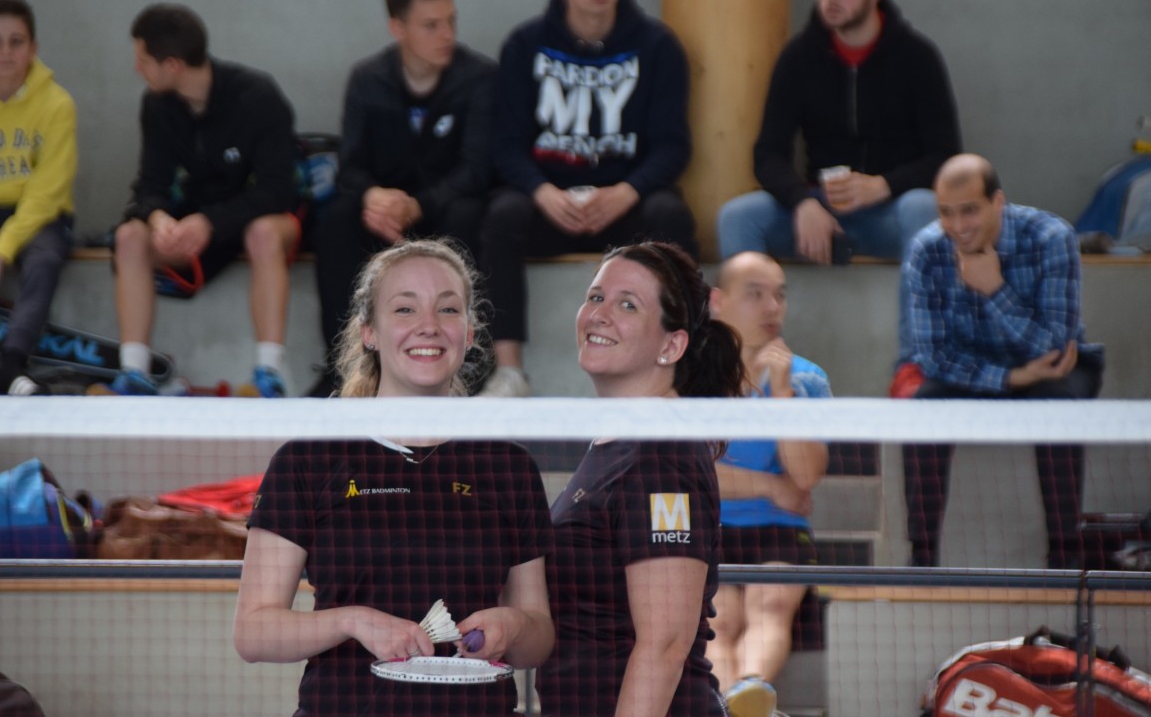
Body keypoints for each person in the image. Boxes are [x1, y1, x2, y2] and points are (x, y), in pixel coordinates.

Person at [235, 238, 555, 715]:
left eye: (448, 309)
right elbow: (253, 632)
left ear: (469, 333)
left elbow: (539, 637)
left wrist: (514, 627)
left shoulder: (508, 466)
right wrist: (353, 621)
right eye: (405, 309)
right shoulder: (309, 459)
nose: (429, 325)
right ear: (369, 331)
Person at [478, 0, 697, 397]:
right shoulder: (524, 46)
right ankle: (509, 371)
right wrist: (542, 192)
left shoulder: (657, 47)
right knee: (500, 216)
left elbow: (673, 146)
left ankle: (682, 366)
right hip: (550, 204)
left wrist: (626, 192)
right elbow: (506, 146)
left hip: (624, 205)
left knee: (671, 215)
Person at [538, 241, 741, 716]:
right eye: (595, 297)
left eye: (627, 304)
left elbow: (665, 643)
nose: (599, 314)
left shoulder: (662, 454)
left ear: (671, 346)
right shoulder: (616, 444)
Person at [901, 153, 1105, 569]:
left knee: (1058, 406)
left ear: (997, 202)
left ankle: (1064, 555)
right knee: (922, 409)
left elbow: (1054, 345)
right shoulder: (926, 250)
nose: (958, 226)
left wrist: (994, 289)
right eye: (946, 213)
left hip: (1053, 369)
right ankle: (921, 558)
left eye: (969, 210)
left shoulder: (1052, 237)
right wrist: (1011, 377)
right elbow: (933, 357)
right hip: (976, 371)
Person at [309, 0, 497, 398]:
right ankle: (339, 369)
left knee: (473, 214)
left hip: (444, 210)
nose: (446, 34)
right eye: (431, 25)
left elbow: (477, 169)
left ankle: (472, 366)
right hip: (386, 216)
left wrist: (419, 205)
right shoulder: (367, 79)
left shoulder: (479, 78)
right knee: (335, 220)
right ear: (398, 27)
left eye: (450, 21)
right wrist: (372, 197)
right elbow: (350, 167)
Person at [719, 0, 959, 264]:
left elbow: (946, 156)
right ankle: (749, 300)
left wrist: (884, 185)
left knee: (922, 207)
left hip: (890, 209)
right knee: (738, 216)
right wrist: (801, 201)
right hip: (818, 210)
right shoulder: (798, 58)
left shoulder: (917, 57)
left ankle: (920, 302)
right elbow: (768, 153)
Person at [103, 4, 299, 396]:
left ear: (173, 65)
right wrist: (158, 218)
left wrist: (211, 221)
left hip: (259, 219)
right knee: (130, 237)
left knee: (262, 233)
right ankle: (135, 374)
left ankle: (268, 375)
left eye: (143, 60)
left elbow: (278, 190)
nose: (137, 69)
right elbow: (150, 184)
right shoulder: (157, 104)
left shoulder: (257, 95)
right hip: (195, 226)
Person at [706, 252, 830, 717]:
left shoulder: (807, 379)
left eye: (779, 295)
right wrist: (769, 486)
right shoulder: (691, 375)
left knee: (771, 604)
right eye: (755, 294)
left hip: (780, 530)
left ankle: (747, 694)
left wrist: (781, 397)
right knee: (720, 619)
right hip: (708, 526)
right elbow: (692, 470)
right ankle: (732, 705)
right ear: (718, 301)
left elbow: (806, 476)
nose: (772, 307)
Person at [0, 0, 77, 395]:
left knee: (44, 258)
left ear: (33, 48)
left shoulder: (57, 104)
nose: (6, 52)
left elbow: (45, 194)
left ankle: (11, 365)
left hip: (40, 217)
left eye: (16, 41)